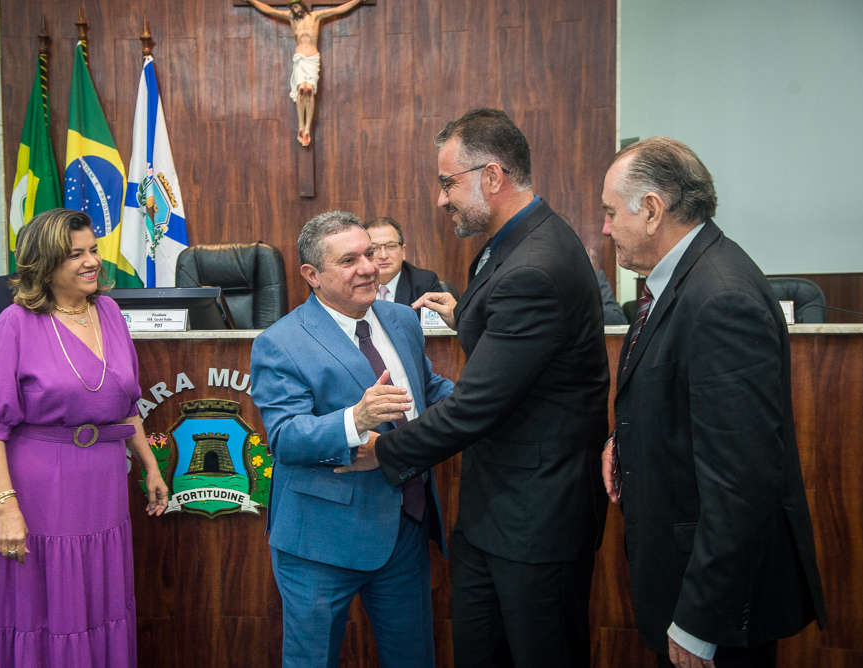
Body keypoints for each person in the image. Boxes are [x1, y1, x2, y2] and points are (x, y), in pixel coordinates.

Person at [348, 108, 611, 667]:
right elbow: (513, 344)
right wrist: (466, 312)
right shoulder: (511, 243)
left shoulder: (534, 265)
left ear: (491, 177)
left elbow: (476, 406)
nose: (441, 199)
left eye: (448, 183)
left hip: (538, 520)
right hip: (501, 510)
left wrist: (382, 452)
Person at [599, 137, 826, 668]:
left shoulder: (720, 296)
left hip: (712, 604)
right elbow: (678, 402)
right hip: (683, 580)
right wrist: (622, 441)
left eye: (611, 212)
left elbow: (742, 481)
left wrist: (701, 621)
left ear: (652, 210)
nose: (605, 228)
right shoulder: (678, 280)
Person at [250, 211, 454, 668]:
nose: (369, 267)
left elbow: (430, 387)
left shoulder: (401, 319)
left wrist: (495, 396)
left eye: (371, 254)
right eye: (349, 260)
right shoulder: (279, 342)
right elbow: (284, 436)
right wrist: (354, 418)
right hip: (319, 544)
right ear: (312, 275)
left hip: (404, 528)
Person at [0, 208, 169, 667]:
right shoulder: (15, 324)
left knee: (98, 603)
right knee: (42, 607)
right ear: (45, 264)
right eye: (75, 254)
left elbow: (126, 404)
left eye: (93, 250)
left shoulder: (111, 312)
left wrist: (150, 464)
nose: (91, 261)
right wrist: (6, 508)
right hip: (37, 488)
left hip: (101, 484)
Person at [244, 0, 364, 146]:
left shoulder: (315, 17)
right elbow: (269, 10)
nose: (294, 10)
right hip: (300, 59)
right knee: (302, 90)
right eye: (292, 8)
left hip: (312, 59)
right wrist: (251, 1)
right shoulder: (291, 18)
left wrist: (358, 1)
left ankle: (307, 129)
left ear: (302, 6)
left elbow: (339, 9)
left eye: (296, 6)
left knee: (309, 90)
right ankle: (301, 126)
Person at [363, 216, 444, 306]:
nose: (383, 256)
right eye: (374, 248)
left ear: (403, 251)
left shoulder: (425, 284)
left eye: (391, 246)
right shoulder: (353, 285)